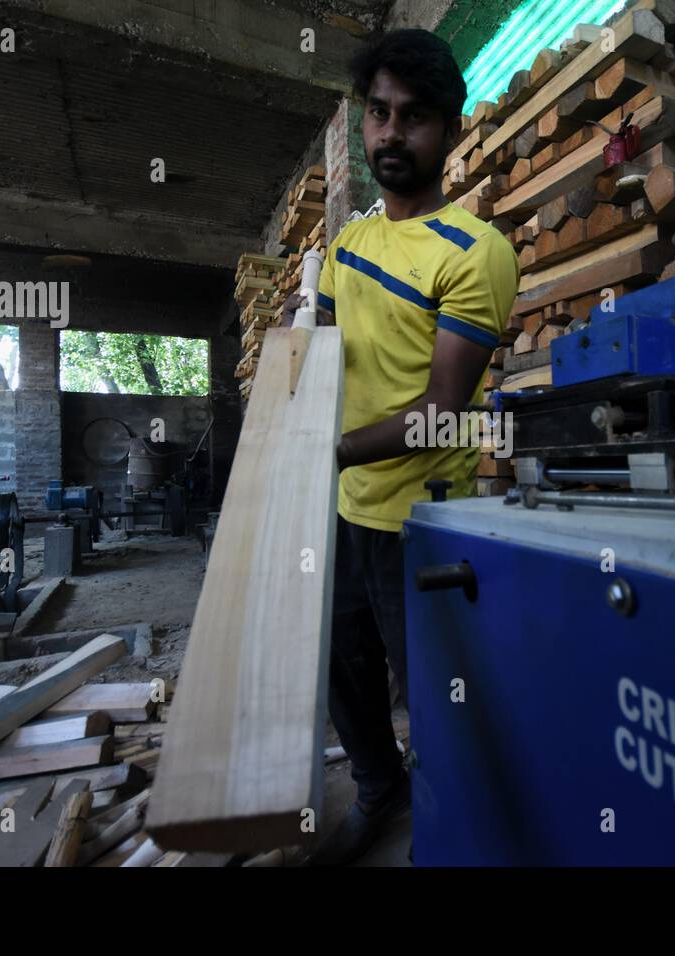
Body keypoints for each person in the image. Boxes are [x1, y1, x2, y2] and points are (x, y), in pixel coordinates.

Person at [283, 28, 519, 865]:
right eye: (378, 114)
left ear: (448, 129)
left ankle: (452, 830)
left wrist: (325, 452)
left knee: (438, 692)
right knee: (345, 672)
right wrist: (296, 338)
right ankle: (380, 791)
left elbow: (443, 413)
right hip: (346, 506)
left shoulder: (475, 252)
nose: (390, 134)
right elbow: (329, 355)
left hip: (424, 523)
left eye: (413, 118)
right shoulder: (348, 246)